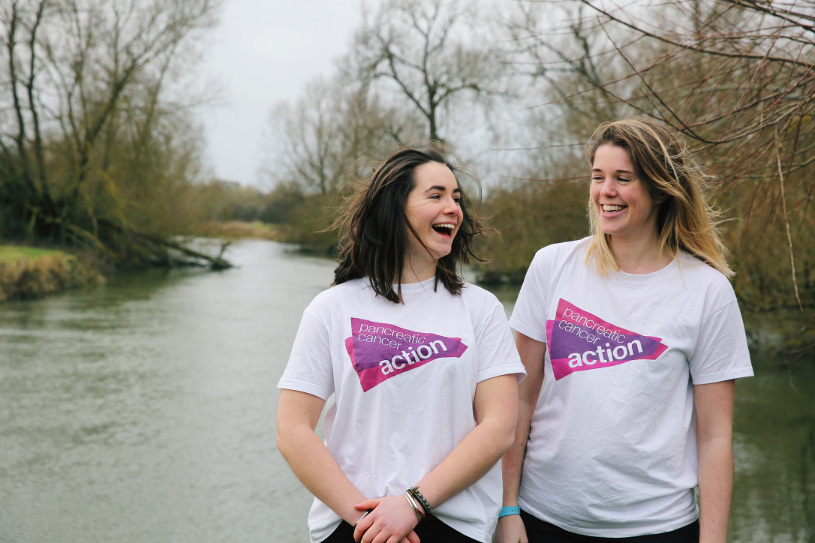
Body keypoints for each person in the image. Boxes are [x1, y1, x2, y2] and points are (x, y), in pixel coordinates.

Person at [495, 117, 754, 543]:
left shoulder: (708, 291)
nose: (605, 191)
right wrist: (508, 507)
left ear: (658, 188)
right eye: (598, 177)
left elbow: (715, 437)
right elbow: (517, 400)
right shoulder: (551, 266)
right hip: (545, 521)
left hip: (660, 528)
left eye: (622, 178)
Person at [276, 143, 526, 543]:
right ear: (395, 208)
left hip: (450, 525)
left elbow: (498, 427)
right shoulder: (331, 308)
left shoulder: (481, 309)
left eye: (457, 197)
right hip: (352, 525)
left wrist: (413, 504)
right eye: (436, 195)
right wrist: (368, 521)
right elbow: (292, 430)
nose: (454, 208)